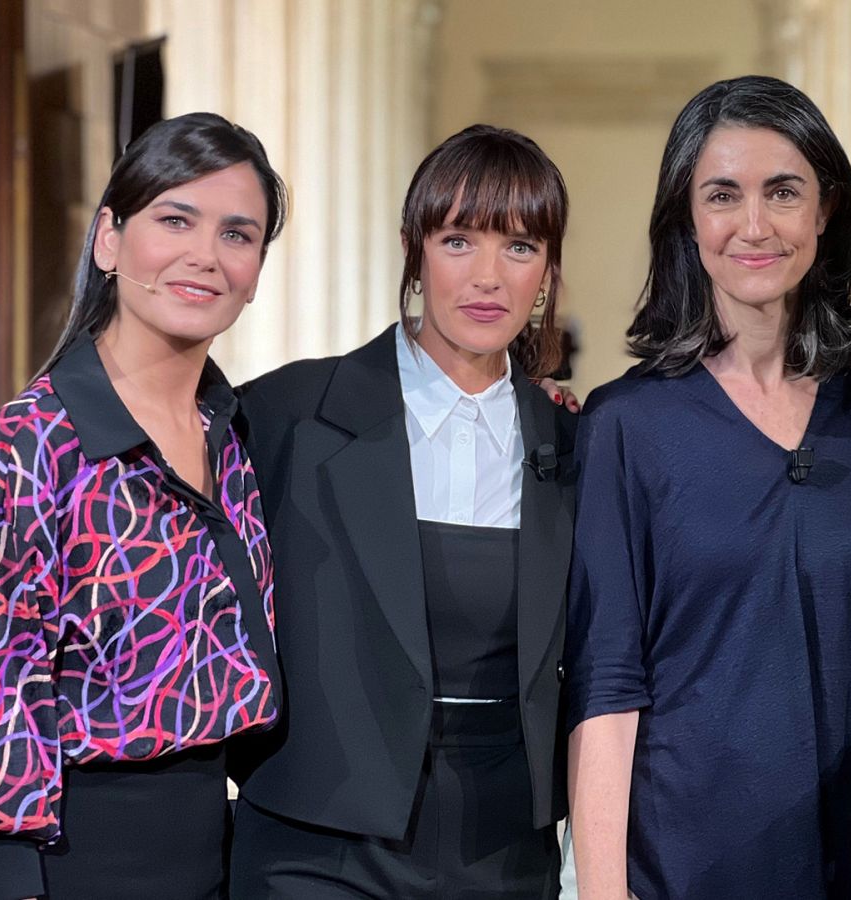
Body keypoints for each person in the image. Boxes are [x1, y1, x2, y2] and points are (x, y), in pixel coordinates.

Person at [0, 112, 290, 900]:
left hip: (217, 855)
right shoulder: (31, 443)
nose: (205, 256)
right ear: (109, 239)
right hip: (65, 861)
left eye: (237, 235)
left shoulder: (233, 432)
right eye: (175, 220)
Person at [565, 75, 851, 900]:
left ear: (827, 208)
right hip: (684, 859)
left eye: (783, 192)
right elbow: (606, 676)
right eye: (722, 195)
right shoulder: (627, 423)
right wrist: (600, 888)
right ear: (686, 219)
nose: (755, 225)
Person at [228, 124, 577, 899]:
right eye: (459, 241)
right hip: (313, 850)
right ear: (413, 249)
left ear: (547, 271)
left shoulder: (577, 447)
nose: (488, 276)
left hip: (506, 856)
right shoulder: (286, 417)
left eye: (519, 247)